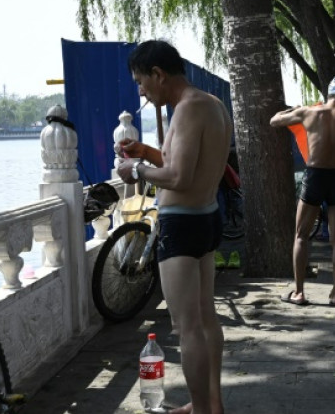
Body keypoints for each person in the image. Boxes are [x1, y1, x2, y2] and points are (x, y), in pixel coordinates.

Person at [116, 40, 231, 414]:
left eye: (142, 82)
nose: (141, 92)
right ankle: (211, 405)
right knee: (206, 317)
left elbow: (179, 177)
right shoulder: (211, 104)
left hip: (182, 225)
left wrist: (134, 171)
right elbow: (184, 161)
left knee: (187, 327)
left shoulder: (185, 110)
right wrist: (147, 154)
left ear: (159, 74)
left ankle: (200, 409)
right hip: (207, 217)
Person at [269, 75, 335, 307]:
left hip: (315, 175)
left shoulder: (309, 113)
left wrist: (295, 109)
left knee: (301, 235)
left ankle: (299, 293)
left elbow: (274, 120)